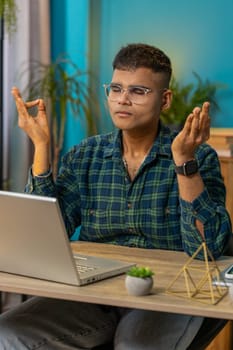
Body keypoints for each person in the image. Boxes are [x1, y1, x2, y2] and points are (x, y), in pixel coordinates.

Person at [1, 43, 231, 349]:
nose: (123, 99)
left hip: (168, 291)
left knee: (134, 344)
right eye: (116, 88)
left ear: (164, 100)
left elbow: (206, 250)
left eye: (138, 91)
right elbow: (45, 237)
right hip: (98, 291)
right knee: (9, 331)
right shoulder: (85, 154)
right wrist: (41, 148)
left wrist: (183, 162)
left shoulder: (197, 156)